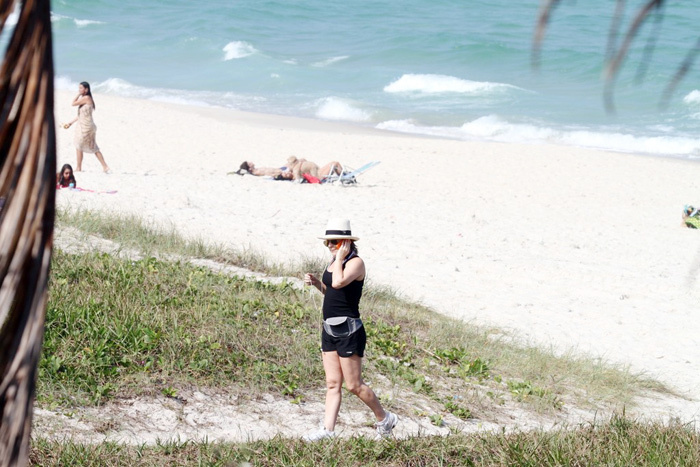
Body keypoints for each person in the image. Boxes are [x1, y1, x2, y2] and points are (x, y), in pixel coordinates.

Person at [303, 218, 398, 441]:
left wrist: (340, 258)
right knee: (333, 383)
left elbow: (338, 283)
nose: (330, 246)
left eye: (334, 242)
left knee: (354, 385)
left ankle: (385, 419)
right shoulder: (335, 262)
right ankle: (328, 431)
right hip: (329, 329)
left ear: (346, 242)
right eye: (327, 243)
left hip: (349, 330)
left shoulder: (356, 263)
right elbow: (332, 291)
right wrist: (318, 283)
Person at [63, 81, 110, 173]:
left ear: (86, 89)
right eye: (79, 88)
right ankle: (81, 167)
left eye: (81, 88)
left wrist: (78, 94)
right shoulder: (84, 99)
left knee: (91, 146)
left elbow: (73, 103)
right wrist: (70, 123)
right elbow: (81, 115)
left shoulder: (87, 98)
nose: (79, 89)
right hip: (83, 125)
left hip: (87, 126)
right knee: (79, 145)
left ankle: (104, 166)